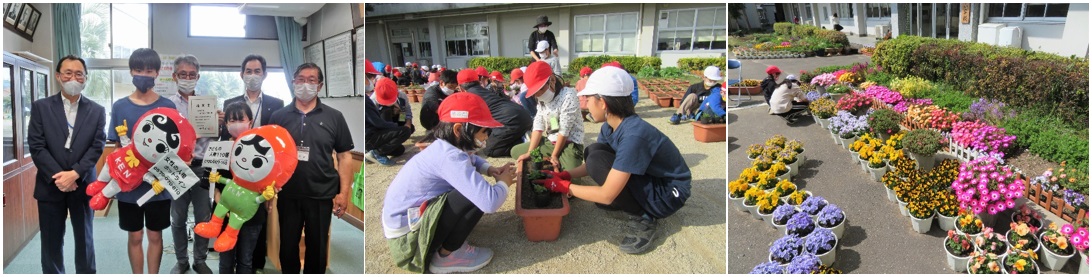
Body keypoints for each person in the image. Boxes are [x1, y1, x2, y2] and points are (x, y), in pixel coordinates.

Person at [540, 66, 691, 254]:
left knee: (598, 162)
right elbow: (593, 164)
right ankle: (629, 201)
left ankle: (644, 217)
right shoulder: (610, 126)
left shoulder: (634, 135)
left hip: (668, 194)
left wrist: (562, 186)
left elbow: (606, 195)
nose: (584, 105)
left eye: (587, 99)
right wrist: (566, 174)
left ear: (603, 103)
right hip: (652, 178)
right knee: (594, 152)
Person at [381, 92, 516, 274]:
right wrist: (503, 183)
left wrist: (490, 169)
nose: (487, 137)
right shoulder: (449, 157)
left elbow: (471, 159)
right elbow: (489, 202)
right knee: (475, 194)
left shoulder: (446, 146)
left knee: (473, 187)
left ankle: (446, 244)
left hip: (406, 223)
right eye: (485, 131)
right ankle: (447, 257)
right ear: (459, 130)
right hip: (409, 240)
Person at [268, 63, 354, 274]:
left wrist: (343, 193)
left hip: (321, 193)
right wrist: (268, 192)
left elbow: (344, 156)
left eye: (311, 80)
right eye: (300, 79)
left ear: (320, 85)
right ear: (293, 82)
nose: (305, 84)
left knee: (317, 247)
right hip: (288, 193)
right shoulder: (278, 117)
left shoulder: (334, 117)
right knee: (287, 246)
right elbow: (269, 157)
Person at [28, 55, 105, 274]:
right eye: (68, 73)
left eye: (79, 73)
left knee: (85, 240)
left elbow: (96, 147)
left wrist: (75, 174)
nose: (73, 77)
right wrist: (60, 176)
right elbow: (37, 146)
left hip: (83, 186)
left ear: (85, 78)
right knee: (51, 242)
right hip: (50, 185)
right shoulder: (41, 107)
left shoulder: (97, 110)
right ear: (58, 76)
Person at [106, 48, 177, 274]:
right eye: (138, 70)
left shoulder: (169, 106)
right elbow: (116, 148)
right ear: (130, 72)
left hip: (159, 186)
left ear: (157, 73)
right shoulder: (119, 106)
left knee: (155, 235)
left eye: (149, 70)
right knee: (134, 235)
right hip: (129, 186)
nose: (143, 75)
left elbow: (175, 148)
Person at [220, 54, 282, 272]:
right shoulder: (230, 104)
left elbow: (277, 144)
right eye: (249, 71)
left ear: (264, 74)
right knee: (230, 233)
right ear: (241, 74)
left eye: (257, 71)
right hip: (234, 175)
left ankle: (255, 265)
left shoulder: (276, 105)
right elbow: (223, 139)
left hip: (261, 176)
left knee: (256, 228)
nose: (253, 76)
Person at [164, 55, 214, 274]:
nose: (187, 78)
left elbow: (213, 139)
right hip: (175, 168)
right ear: (175, 76)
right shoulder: (167, 105)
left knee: (203, 217)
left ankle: (200, 260)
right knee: (178, 217)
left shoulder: (206, 104)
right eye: (183, 74)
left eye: (192, 75)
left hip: (202, 166)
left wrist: (218, 123)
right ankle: (182, 260)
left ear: (198, 77)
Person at [213, 101, 268, 274]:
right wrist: (221, 205)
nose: (236, 124)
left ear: (250, 122)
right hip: (224, 212)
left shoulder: (263, 146)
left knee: (246, 260)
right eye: (232, 120)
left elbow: (268, 177)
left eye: (240, 119)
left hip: (251, 213)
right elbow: (213, 182)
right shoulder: (219, 147)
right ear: (226, 124)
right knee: (225, 258)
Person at [510, 61, 585, 172]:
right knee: (515, 151)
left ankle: (555, 158)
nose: (538, 95)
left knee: (570, 177)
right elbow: (538, 126)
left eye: (540, 89)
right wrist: (530, 152)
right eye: (535, 92)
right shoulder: (542, 100)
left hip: (569, 144)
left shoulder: (568, 95)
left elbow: (564, 130)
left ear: (552, 80)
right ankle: (551, 160)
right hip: (551, 142)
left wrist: (554, 155)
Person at [458, 69, 533, 158]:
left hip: (511, 121)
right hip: (522, 115)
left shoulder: (468, 97)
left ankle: (523, 143)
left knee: (489, 150)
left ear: (461, 88)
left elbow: (469, 124)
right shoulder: (484, 91)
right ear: (478, 82)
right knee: (492, 138)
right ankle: (522, 135)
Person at [367, 78, 414, 162]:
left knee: (400, 149)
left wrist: (407, 122)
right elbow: (377, 123)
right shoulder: (372, 101)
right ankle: (375, 152)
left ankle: (376, 151)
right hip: (380, 128)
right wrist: (395, 128)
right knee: (386, 112)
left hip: (393, 122)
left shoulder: (401, 96)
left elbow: (407, 110)